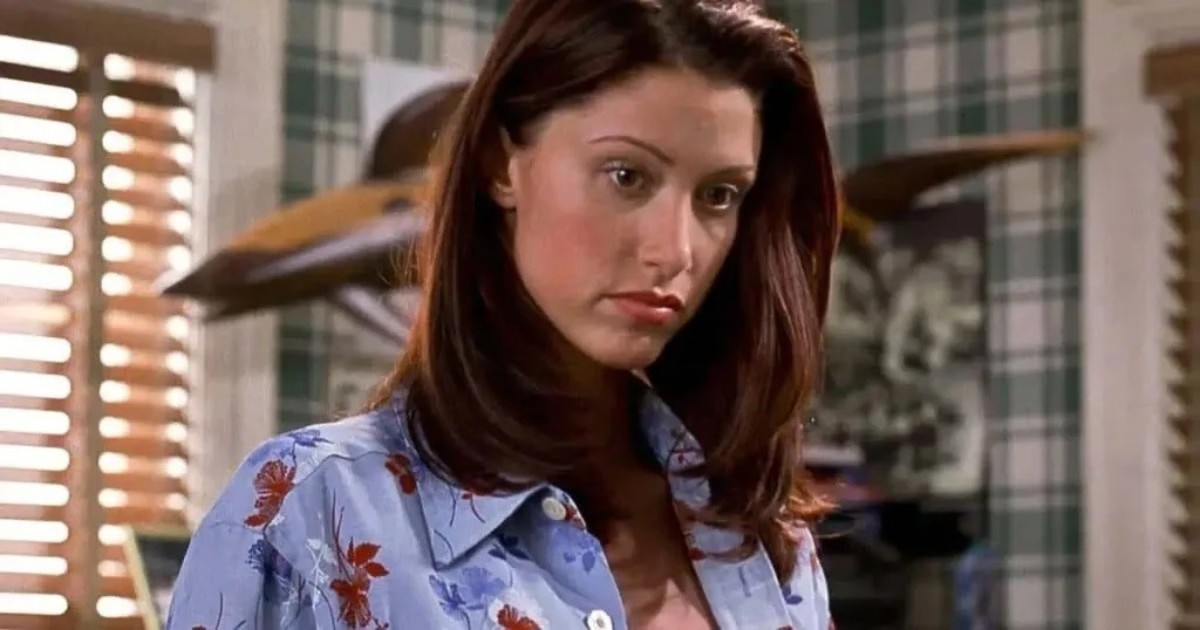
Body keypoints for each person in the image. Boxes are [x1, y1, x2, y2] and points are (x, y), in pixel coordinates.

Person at [166, 0, 842, 627]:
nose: (676, 251)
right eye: (627, 176)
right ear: (500, 163)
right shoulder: (310, 509)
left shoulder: (763, 538)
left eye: (719, 196)